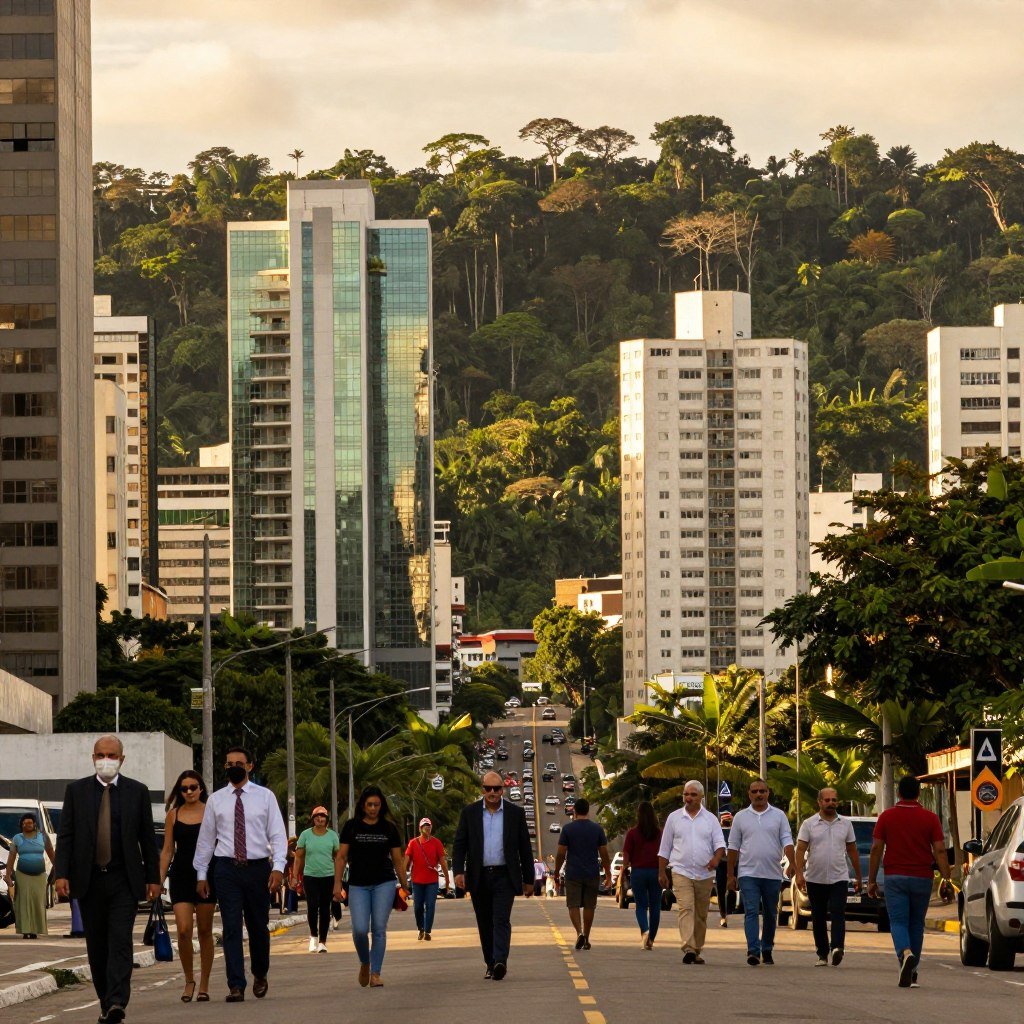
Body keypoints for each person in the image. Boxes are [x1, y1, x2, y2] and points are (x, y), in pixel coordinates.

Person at [53, 735, 162, 1024]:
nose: (106, 760)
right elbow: (66, 836)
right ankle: (106, 1002)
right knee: (98, 947)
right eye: (100, 754)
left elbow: (147, 839)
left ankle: (116, 1001)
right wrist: (61, 873)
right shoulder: (76, 791)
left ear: (122, 759)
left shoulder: (137, 792)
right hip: (88, 881)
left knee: (120, 942)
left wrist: (154, 878)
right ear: (92, 758)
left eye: (112, 755)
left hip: (123, 880)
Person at [193, 746, 287, 1003]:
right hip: (226, 869)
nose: (234, 766)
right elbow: (206, 840)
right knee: (231, 927)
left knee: (258, 926)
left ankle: (260, 972)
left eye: (239, 763)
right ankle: (236, 984)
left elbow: (277, 834)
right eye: (229, 763)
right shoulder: (216, 800)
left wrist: (278, 868)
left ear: (249, 766)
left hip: (258, 868)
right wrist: (202, 874)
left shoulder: (265, 797)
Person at [868, 775, 954, 988]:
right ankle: (913, 972)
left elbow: (876, 849)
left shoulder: (886, 817)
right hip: (922, 877)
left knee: (898, 922)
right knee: (916, 923)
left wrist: (871, 880)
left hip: (895, 877)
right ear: (918, 792)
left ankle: (905, 953)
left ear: (898, 793)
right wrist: (946, 878)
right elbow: (940, 850)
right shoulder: (930, 818)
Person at [452, 770, 534, 980]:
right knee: (484, 921)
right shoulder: (469, 813)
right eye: (488, 789)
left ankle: (500, 961)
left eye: (496, 789)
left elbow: (525, 848)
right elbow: (460, 844)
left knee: (501, 919)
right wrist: (459, 871)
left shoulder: (515, 814)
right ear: (482, 790)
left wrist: (529, 879)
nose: (492, 793)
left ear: (502, 790)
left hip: (504, 875)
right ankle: (490, 962)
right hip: (479, 876)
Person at [334, 786, 406, 988]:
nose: (373, 808)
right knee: (359, 930)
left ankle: (375, 973)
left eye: (376, 805)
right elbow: (341, 857)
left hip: (384, 882)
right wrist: (337, 884)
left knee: (379, 929)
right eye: (369, 805)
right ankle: (365, 962)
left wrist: (404, 883)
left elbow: (397, 859)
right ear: (363, 806)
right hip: (358, 884)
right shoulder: (351, 827)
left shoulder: (389, 829)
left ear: (381, 806)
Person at [159, 771, 215, 1001]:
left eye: (194, 787)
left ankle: (204, 984)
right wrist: (158, 879)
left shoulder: (211, 812)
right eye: (184, 789)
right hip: (181, 874)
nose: (190, 791)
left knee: (204, 931)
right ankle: (189, 979)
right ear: (179, 792)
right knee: (183, 930)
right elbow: (167, 850)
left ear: (201, 788)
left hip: (207, 876)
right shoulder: (173, 814)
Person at [727, 778, 794, 967]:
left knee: (771, 914)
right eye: (754, 791)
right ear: (749, 794)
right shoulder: (740, 817)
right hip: (748, 873)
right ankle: (753, 950)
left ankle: (767, 948)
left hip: (772, 874)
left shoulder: (779, 816)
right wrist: (730, 874)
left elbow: (787, 840)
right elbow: (733, 847)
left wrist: (793, 863)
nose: (758, 794)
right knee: (751, 911)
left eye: (762, 791)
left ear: (768, 793)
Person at [657, 781, 725, 964]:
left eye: (693, 795)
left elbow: (720, 845)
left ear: (701, 797)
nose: (689, 798)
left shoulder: (710, 819)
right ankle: (688, 947)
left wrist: (716, 860)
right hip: (681, 871)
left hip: (705, 873)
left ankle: (696, 949)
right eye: (686, 794)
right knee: (686, 908)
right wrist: (661, 872)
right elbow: (665, 848)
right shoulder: (674, 818)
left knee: (701, 914)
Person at [795, 787, 861, 967]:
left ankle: (838, 947)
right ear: (819, 802)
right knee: (818, 916)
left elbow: (852, 850)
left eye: (834, 800)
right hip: (815, 878)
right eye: (827, 800)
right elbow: (800, 849)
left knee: (838, 911)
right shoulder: (809, 824)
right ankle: (822, 954)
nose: (831, 803)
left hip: (839, 877)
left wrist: (859, 877)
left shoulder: (846, 824)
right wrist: (799, 874)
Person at [555, 798, 612, 951]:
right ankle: (586, 937)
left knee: (572, 904)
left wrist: (556, 873)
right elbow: (604, 854)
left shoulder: (567, 829)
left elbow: (561, 853)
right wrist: (608, 874)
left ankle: (579, 933)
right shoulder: (597, 829)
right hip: (592, 872)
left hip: (573, 873)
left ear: (574, 811)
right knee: (589, 906)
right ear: (587, 811)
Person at [295, 806, 339, 953]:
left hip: (328, 876)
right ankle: (313, 936)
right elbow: (298, 857)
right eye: (317, 816)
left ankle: (323, 941)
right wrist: (295, 876)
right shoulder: (305, 835)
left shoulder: (333, 836)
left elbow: (338, 857)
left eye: (323, 816)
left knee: (325, 908)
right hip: (310, 876)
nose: (320, 819)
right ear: (313, 819)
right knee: (312, 907)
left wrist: (339, 879)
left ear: (327, 819)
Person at [4, 812, 55, 939]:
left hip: (39, 876)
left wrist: (60, 870)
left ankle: (35, 930)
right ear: (21, 825)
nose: (28, 825)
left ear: (34, 824)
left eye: (30, 822)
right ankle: (26, 930)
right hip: (22, 875)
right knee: (24, 902)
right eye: (25, 823)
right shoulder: (17, 838)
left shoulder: (43, 837)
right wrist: (8, 875)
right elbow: (11, 858)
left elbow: (51, 853)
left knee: (38, 901)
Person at [622, 801, 663, 950]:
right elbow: (664, 853)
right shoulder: (659, 833)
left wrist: (625, 866)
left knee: (640, 905)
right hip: (656, 872)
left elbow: (626, 855)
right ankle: (651, 939)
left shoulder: (632, 833)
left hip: (638, 872)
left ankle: (644, 931)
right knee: (655, 906)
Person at [404, 817, 449, 941]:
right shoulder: (413, 843)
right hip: (417, 881)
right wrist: (403, 878)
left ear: (431, 827)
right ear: (420, 828)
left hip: (432, 882)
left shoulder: (437, 843)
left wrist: (447, 881)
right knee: (418, 906)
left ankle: (427, 931)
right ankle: (421, 928)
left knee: (430, 905)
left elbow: (443, 863)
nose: (427, 828)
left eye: (428, 826)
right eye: (424, 826)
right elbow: (406, 860)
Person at [715, 810, 734, 927]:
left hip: (733, 864)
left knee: (729, 889)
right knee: (722, 890)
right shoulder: (717, 832)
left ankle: (726, 914)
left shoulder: (735, 832)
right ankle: (724, 915)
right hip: (722, 865)